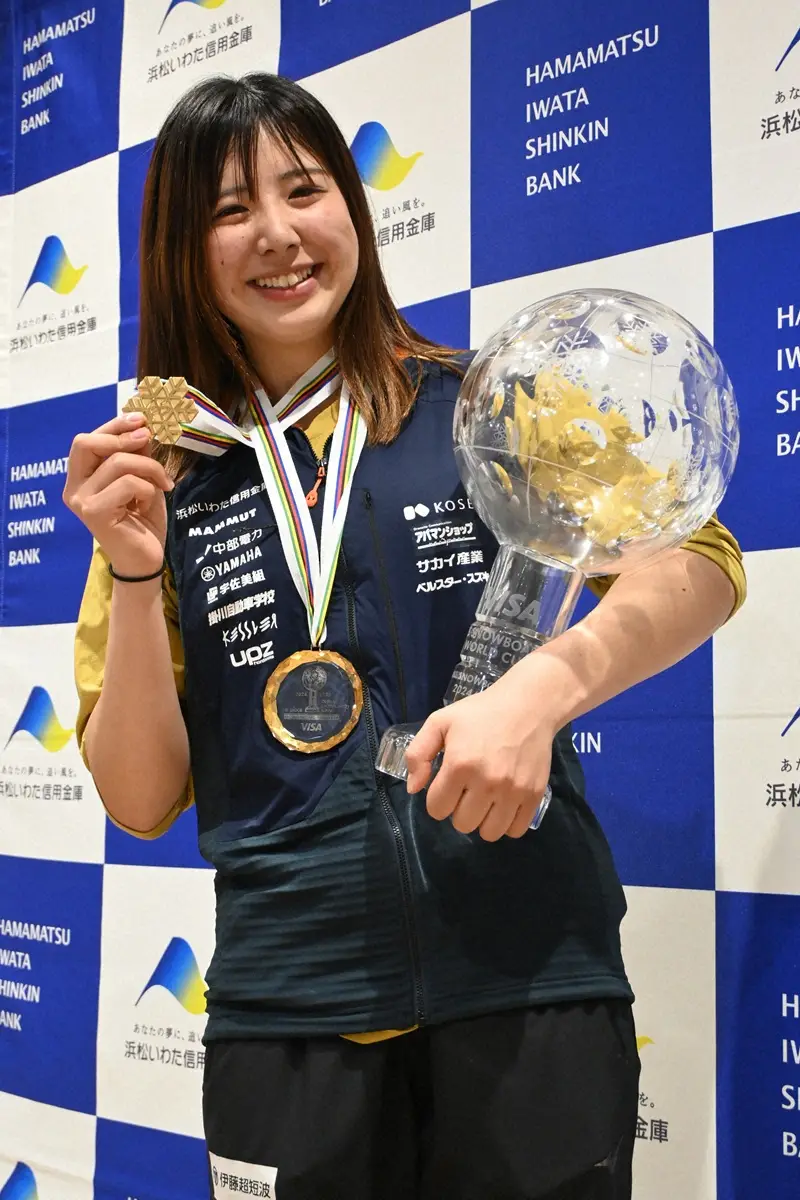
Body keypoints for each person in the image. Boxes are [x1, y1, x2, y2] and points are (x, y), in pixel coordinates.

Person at [66, 73, 745, 1200]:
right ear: (183, 248)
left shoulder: (485, 401)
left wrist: (541, 690)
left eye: (304, 189)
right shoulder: (161, 478)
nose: (278, 234)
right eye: (231, 209)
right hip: (288, 1014)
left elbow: (698, 559)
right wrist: (136, 570)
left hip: (529, 983)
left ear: (355, 210)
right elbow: (139, 797)